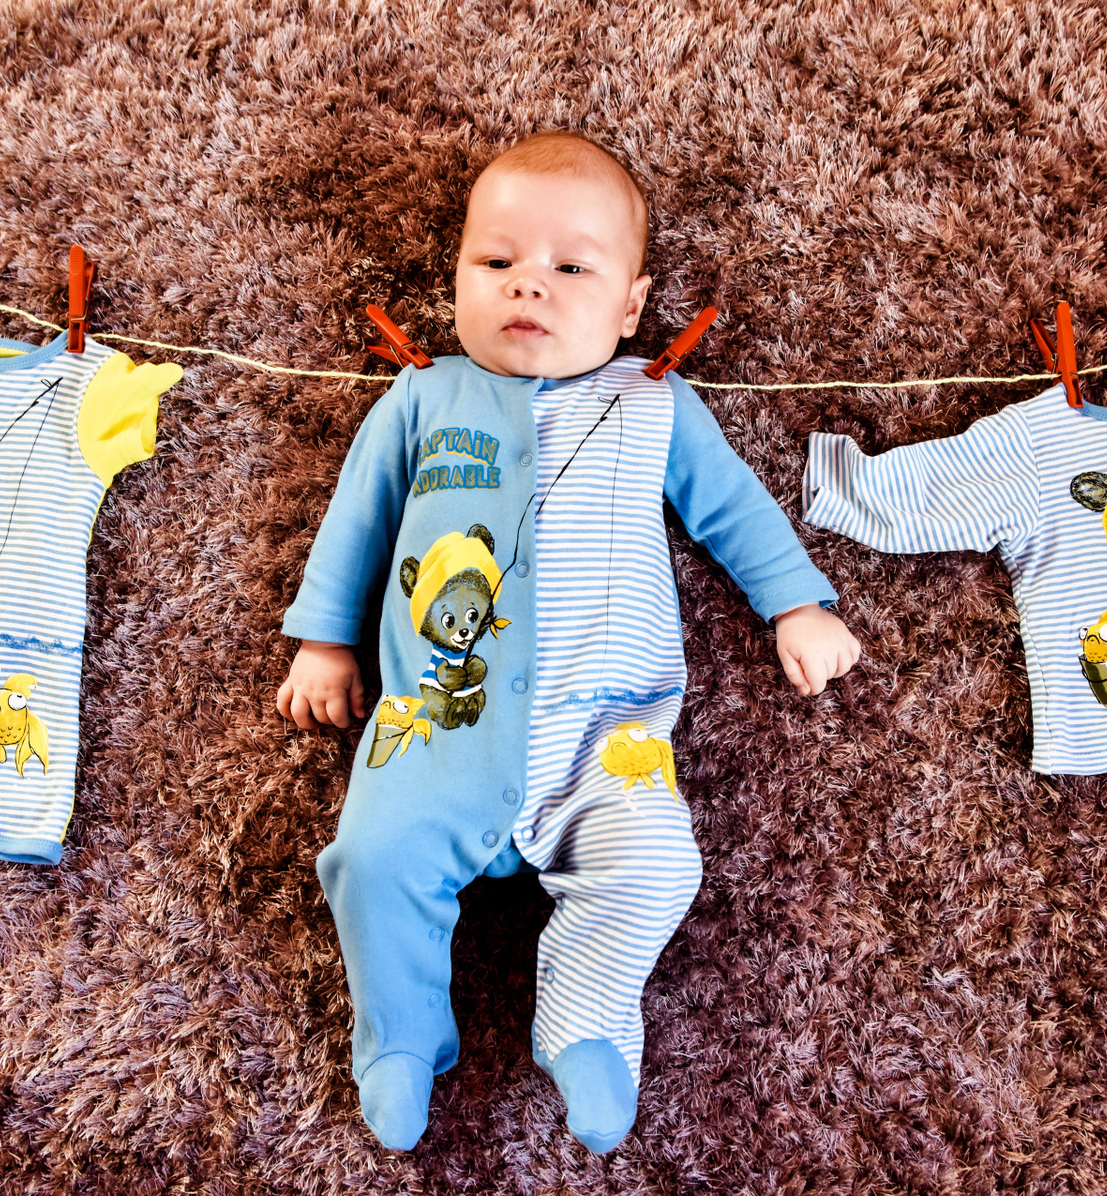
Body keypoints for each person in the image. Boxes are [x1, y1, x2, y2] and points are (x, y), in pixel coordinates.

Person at [277, 131, 861, 1153]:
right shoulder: (423, 397)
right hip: (435, 724)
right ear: (458, 277)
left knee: (658, 867)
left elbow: (733, 508)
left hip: (606, 735)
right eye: (496, 261)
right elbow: (357, 521)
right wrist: (325, 641)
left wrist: (795, 604)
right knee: (369, 860)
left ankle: (586, 1013)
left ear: (631, 307)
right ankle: (401, 1036)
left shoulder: (653, 402)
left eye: (570, 269)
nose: (528, 286)